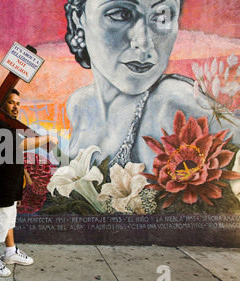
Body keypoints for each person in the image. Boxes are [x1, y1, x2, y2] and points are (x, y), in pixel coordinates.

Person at [64, 0, 239, 171]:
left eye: (162, 17)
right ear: (78, 19)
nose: (145, 42)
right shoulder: (80, 104)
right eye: (121, 14)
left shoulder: (173, 102)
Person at [0, 89, 58, 277]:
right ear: (1, 104)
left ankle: (10, 252)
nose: (15, 107)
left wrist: (23, 174)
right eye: (10, 102)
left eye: (18, 103)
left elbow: (11, 153)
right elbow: (16, 146)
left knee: (8, 220)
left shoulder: (8, 125)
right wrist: (45, 139)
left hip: (10, 184)